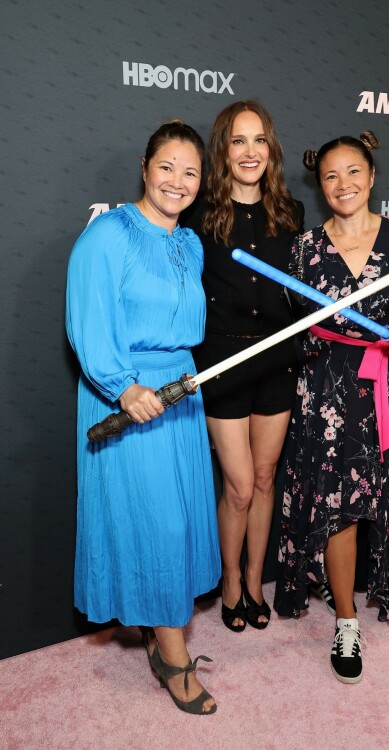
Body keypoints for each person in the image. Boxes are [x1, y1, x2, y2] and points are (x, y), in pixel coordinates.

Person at [273, 131, 389, 684]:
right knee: (340, 505)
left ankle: (350, 588)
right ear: (319, 186)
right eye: (330, 176)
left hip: (378, 387)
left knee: (375, 495)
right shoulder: (303, 250)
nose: (342, 184)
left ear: (371, 177)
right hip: (324, 389)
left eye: (353, 172)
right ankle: (346, 619)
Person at [66, 120, 221, 714]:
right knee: (159, 525)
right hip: (128, 396)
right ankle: (174, 658)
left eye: (190, 172)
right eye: (167, 168)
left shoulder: (191, 243)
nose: (178, 182)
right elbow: (86, 320)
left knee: (179, 516)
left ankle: (159, 631)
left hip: (182, 391)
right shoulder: (107, 235)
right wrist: (123, 387)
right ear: (144, 166)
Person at [183, 100, 304, 632]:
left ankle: (256, 581)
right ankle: (229, 580)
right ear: (222, 150)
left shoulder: (290, 214)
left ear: (270, 148)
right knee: (236, 485)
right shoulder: (200, 217)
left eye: (258, 140)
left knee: (262, 477)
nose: (249, 151)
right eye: (237, 141)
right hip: (224, 363)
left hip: (278, 359)